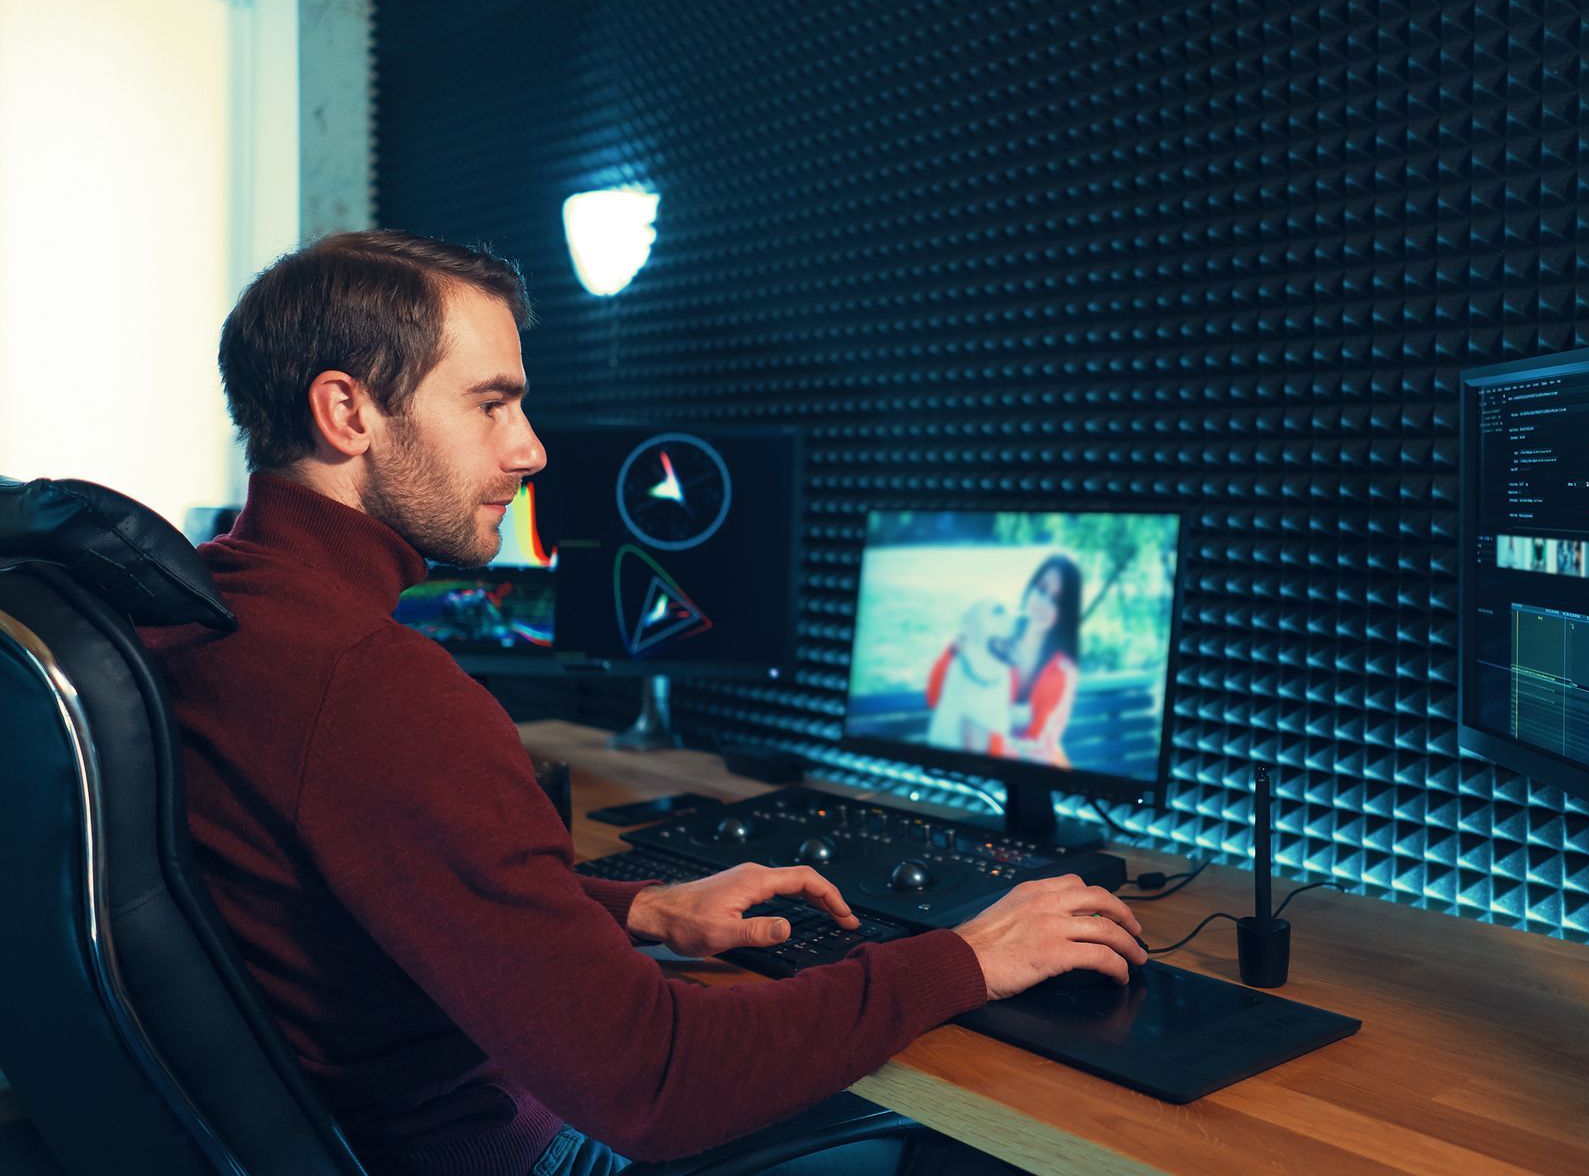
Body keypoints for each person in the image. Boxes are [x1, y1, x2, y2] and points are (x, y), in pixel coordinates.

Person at [139, 231, 1146, 1176]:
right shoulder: (379, 692)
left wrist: (637, 907)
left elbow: (376, 891)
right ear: (347, 411)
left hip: (365, 1125)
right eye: (491, 403)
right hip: (510, 1145)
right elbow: (654, 1078)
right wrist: (967, 956)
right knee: (975, 1145)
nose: (530, 449)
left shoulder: (196, 609)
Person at [927, 554, 1082, 768]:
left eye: (1056, 600)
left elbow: (1042, 751)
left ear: (1064, 614)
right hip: (980, 767)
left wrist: (990, 743)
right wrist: (954, 649)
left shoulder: (1062, 673)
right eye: (1041, 589)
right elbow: (936, 698)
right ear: (1031, 589)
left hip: (1037, 779)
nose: (1043, 603)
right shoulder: (996, 643)